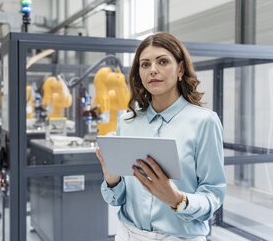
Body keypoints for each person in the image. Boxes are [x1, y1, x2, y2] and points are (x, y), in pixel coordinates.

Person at [96, 32, 226, 241]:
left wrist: (177, 200)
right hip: (128, 235)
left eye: (163, 61)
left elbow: (214, 194)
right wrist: (112, 179)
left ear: (181, 69)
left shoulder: (204, 122)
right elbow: (116, 200)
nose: (153, 70)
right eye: (145, 64)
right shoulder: (127, 122)